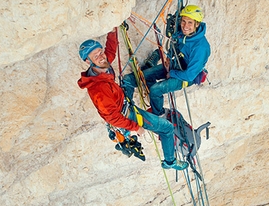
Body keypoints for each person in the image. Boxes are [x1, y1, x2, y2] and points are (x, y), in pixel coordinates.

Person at [77, 29, 188, 171]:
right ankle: (170, 162)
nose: (101, 56)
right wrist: (136, 127)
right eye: (95, 55)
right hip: (127, 114)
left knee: (129, 80)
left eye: (100, 52)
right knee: (167, 128)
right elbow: (113, 118)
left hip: (121, 99)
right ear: (88, 61)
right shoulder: (99, 90)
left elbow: (110, 50)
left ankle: (147, 67)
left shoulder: (102, 66)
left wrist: (114, 29)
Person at [122, 5, 211, 116]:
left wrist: (172, 73)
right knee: (140, 77)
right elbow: (174, 44)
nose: (185, 26)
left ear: (197, 24)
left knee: (155, 90)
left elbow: (189, 75)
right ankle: (129, 108)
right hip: (177, 64)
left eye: (190, 23)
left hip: (188, 76)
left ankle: (159, 115)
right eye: (183, 21)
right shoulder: (183, 35)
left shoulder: (200, 48)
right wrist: (169, 57)